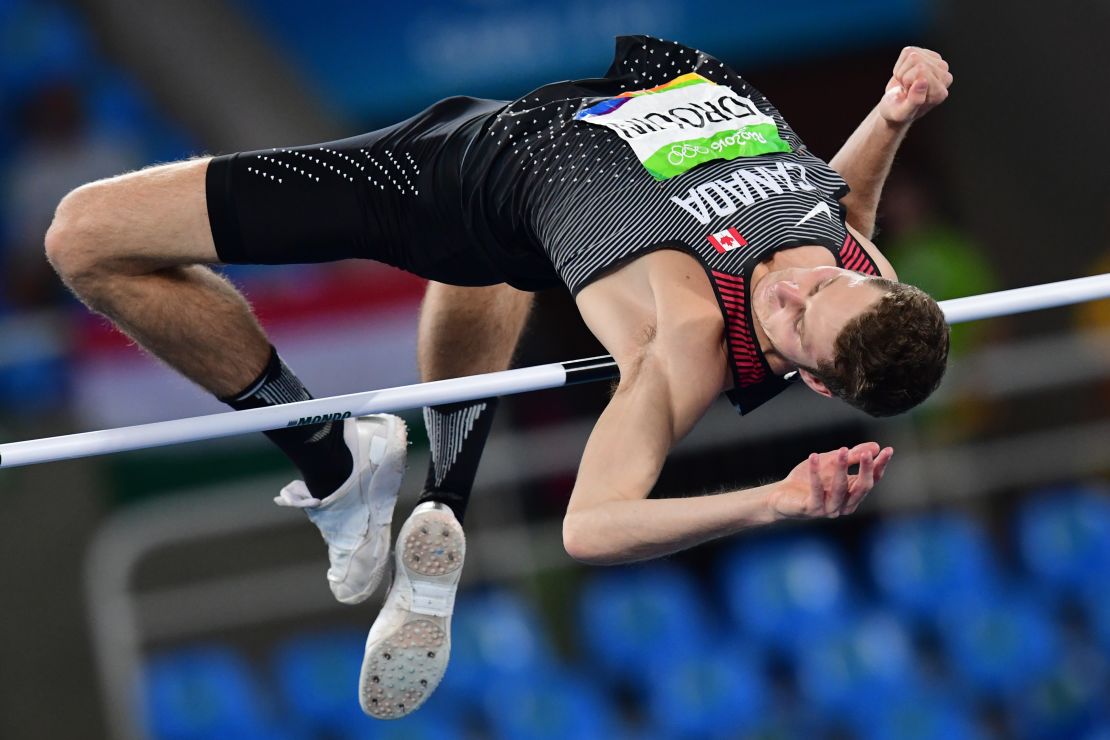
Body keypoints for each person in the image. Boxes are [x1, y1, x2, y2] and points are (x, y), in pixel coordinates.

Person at [43, 37, 952, 718]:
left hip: (459, 175)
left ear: (818, 385)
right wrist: (892, 114)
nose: (794, 283)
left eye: (798, 317)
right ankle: (430, 492)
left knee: (85, 238)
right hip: (592, 117)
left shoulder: (681, 344)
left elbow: (593, 528)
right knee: (498, 266)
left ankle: (324, 453)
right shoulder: (850, 268)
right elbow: (848, 207)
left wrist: (776, 504)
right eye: (830, 280)